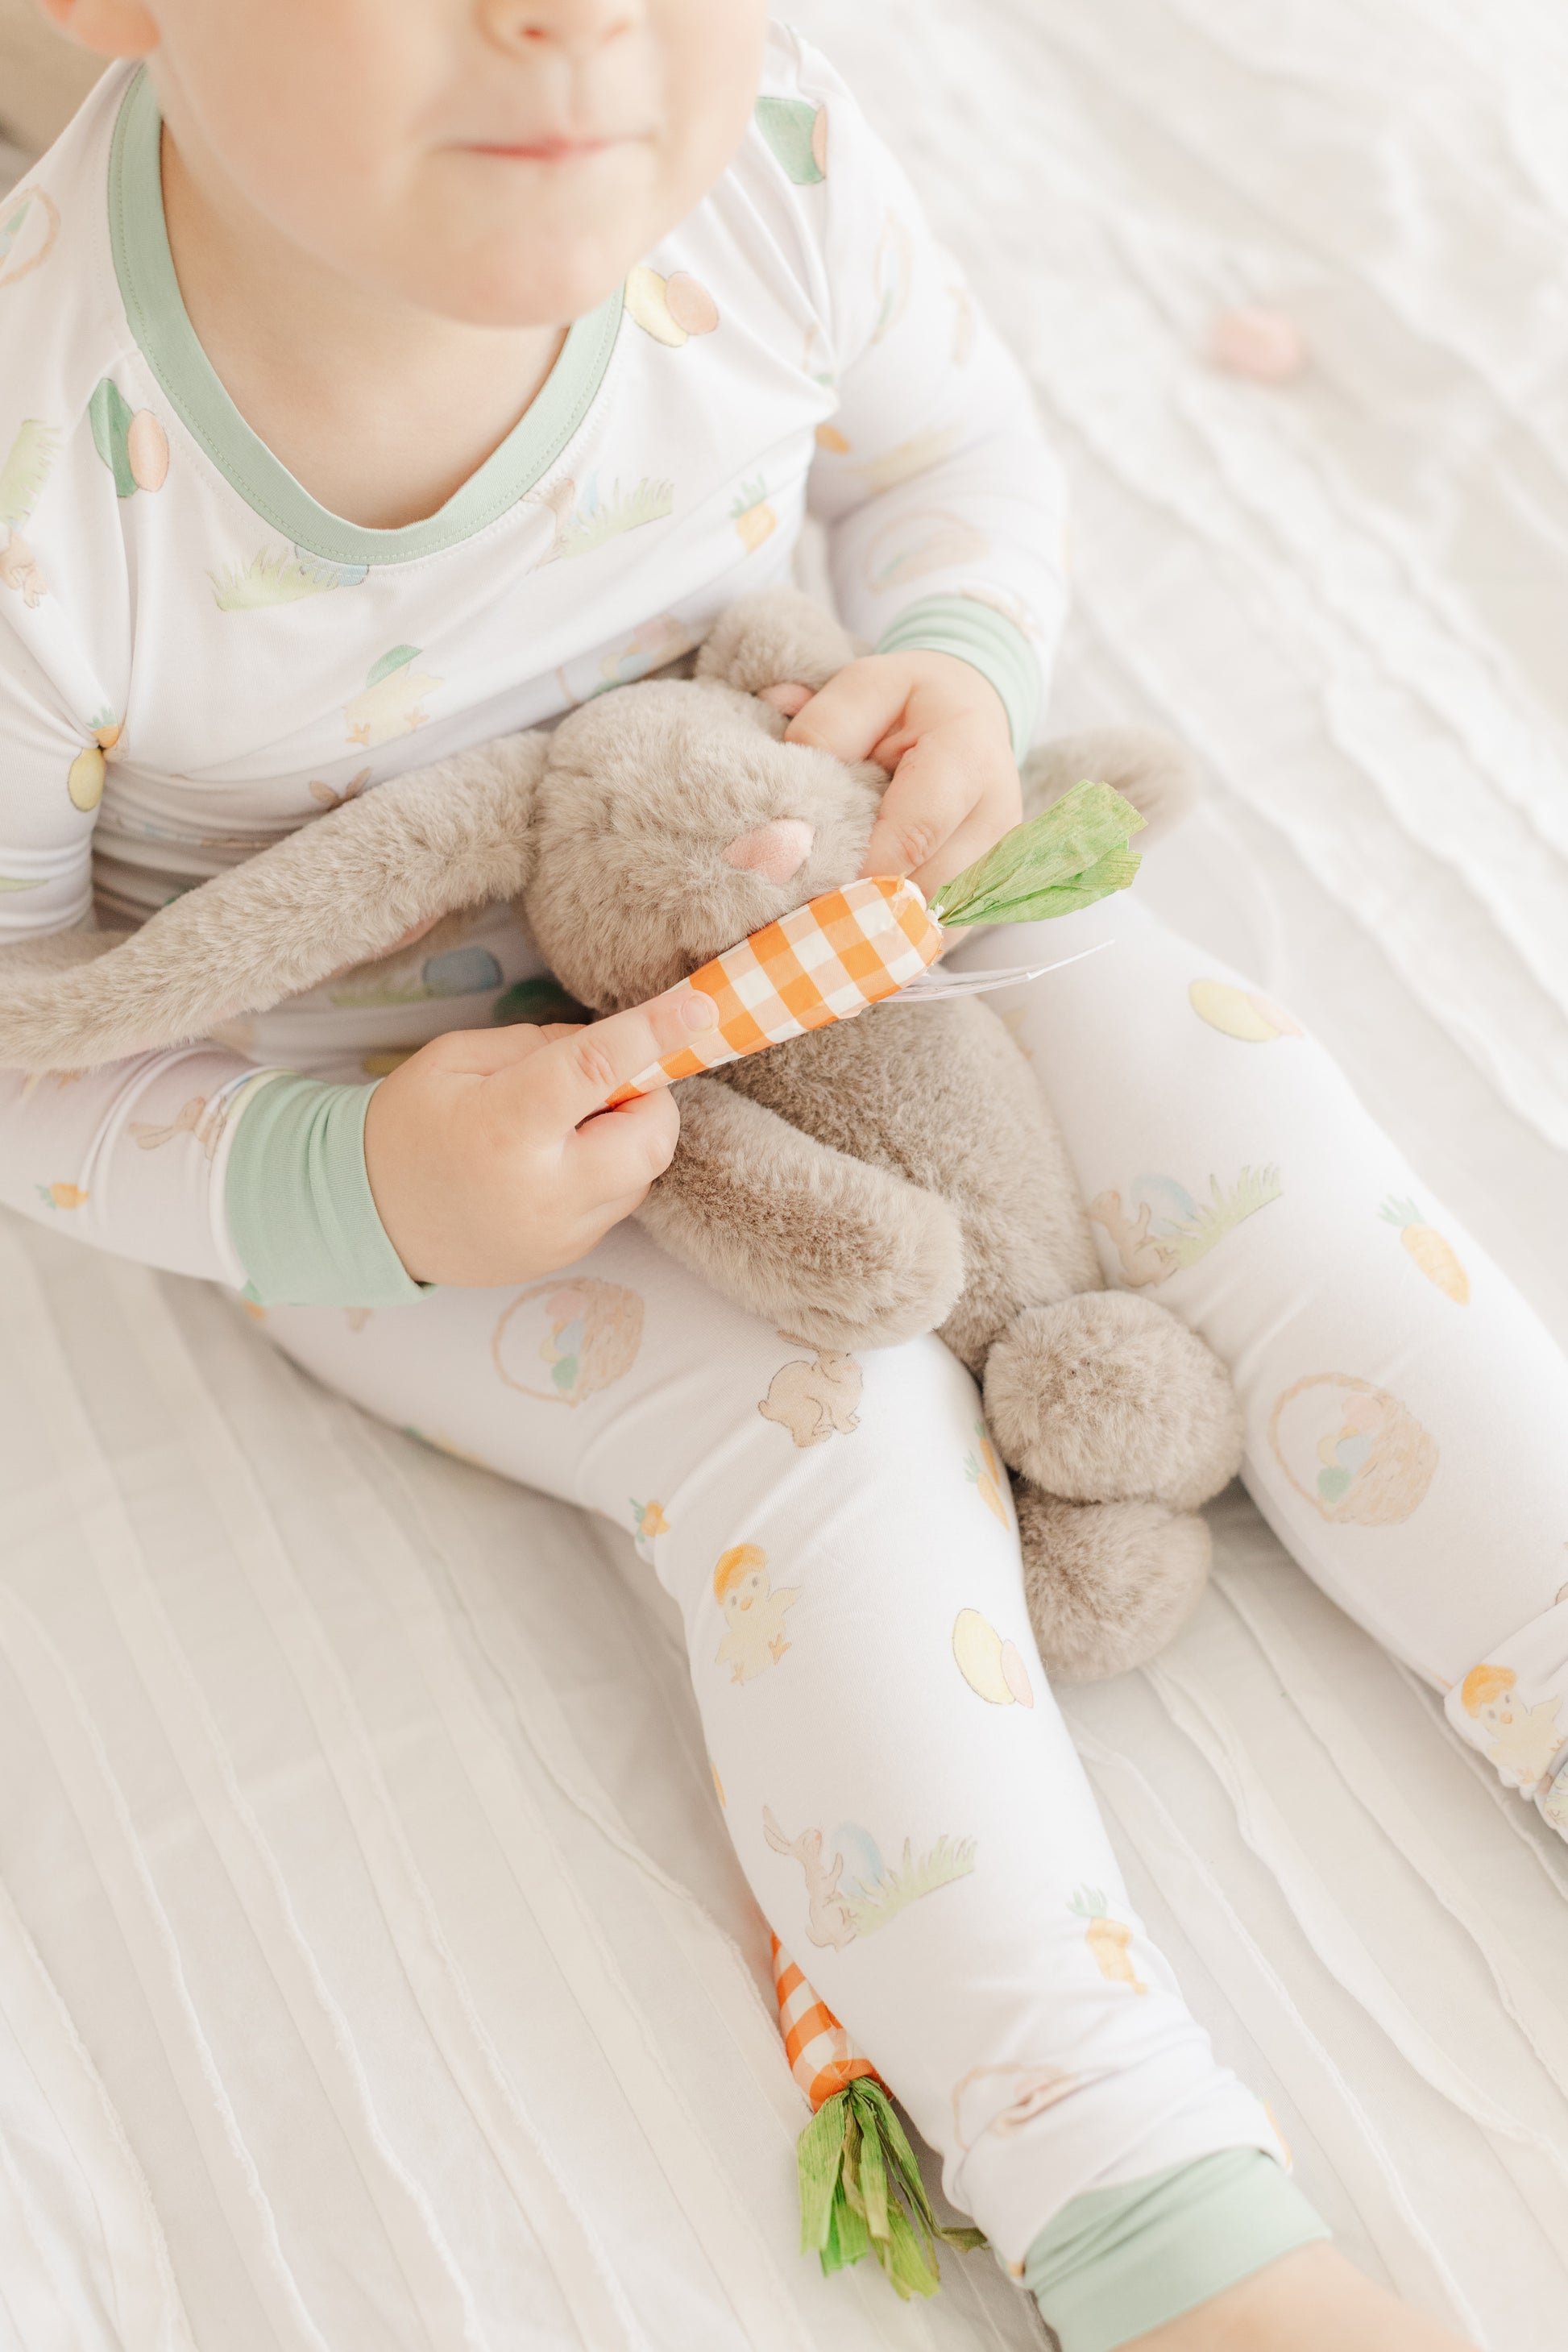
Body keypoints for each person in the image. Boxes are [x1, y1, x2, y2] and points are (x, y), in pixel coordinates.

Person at [5, 1, 1562, 2341]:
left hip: (806, 842)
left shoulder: (775, 154)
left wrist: (953, 660)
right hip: (394, 1078)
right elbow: (29, 1040)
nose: (573, 20)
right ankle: (1141, 2207)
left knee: (1253, 1126)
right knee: (831, 1428)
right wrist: (352, 1185)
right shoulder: (50, 478)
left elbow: (947, 453)